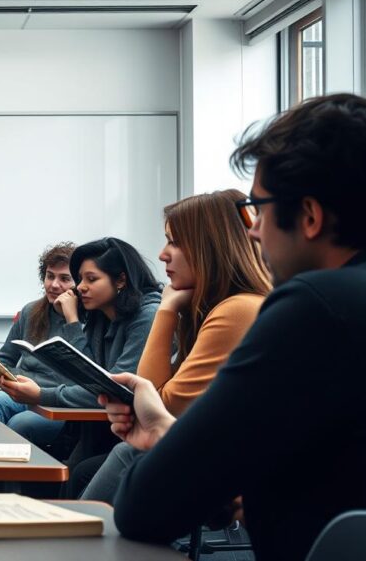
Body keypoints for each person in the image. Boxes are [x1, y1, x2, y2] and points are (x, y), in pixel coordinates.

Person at [104, 94, 366, 561]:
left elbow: (145, 506)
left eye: (259, 208)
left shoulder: (313, 307)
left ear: (308, 217)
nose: (252, 231)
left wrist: (165, 439)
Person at [78, 189, 270, 502]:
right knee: (92, 467)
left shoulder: (237, 310)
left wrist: (166, 310)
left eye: (175, 242)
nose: (163, 254)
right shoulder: (215, 308)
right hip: (222, 454)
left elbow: (160, 405)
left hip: (240, 469)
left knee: (128, 456)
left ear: (210, 248)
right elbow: (157, 400)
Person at [0, 237, 162, 447]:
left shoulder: (145, 315)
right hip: (92, 419)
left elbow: (109, 388)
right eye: (80, 279)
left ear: (120, 281)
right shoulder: (99, 312)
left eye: (90, 279)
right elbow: (92, 376)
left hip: (123, 424)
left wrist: (72, 320)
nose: (81, 287)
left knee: (25, 428)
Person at [0, 242, 77, 442]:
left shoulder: (86, 320)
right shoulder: (31, 312)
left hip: (57, 400)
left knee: (21, 424)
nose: (54, 285)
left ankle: (10, 471)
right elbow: (5, 358)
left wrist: (71, 317)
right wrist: (0, 379)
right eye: (50, 276)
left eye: (65, 279)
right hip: (21, 392)